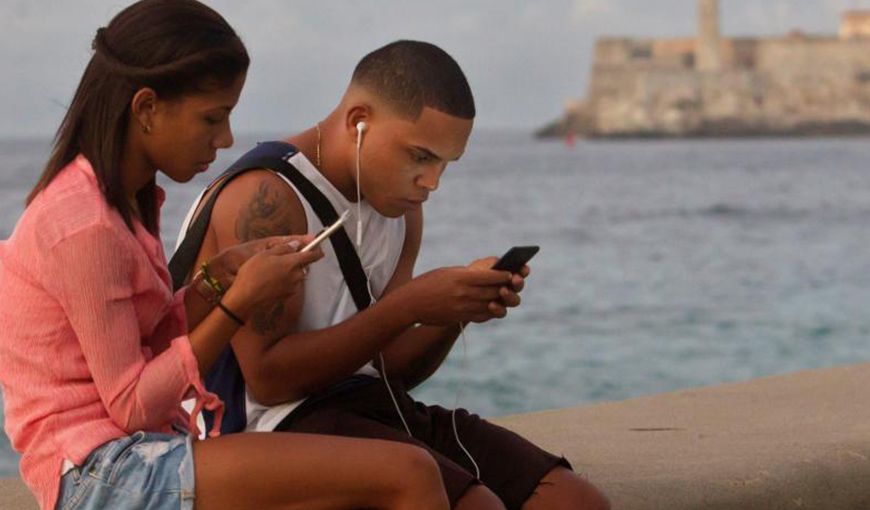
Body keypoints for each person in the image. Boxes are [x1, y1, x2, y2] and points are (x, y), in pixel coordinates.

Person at [0, 2, 454, 509]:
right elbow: (130, 405)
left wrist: (215, 278)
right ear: (147, 109)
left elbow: (145, 342)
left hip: (143, 450)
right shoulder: (82, 224)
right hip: (99, 474)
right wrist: (235, 305)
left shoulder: (128, 199)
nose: (227, 139)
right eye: (212, 118)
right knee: (409, 474)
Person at [174, 40, 610, 510]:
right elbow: (269, 382)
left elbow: (391, 369)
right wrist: (411, 305)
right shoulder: (268, 195)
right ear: (359, 120)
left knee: (573, 499)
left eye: (445, 163)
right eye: (420, 156)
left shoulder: (401, 211)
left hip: (365, 406)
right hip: (270, 427)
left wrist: (452, 315)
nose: (432, 182)